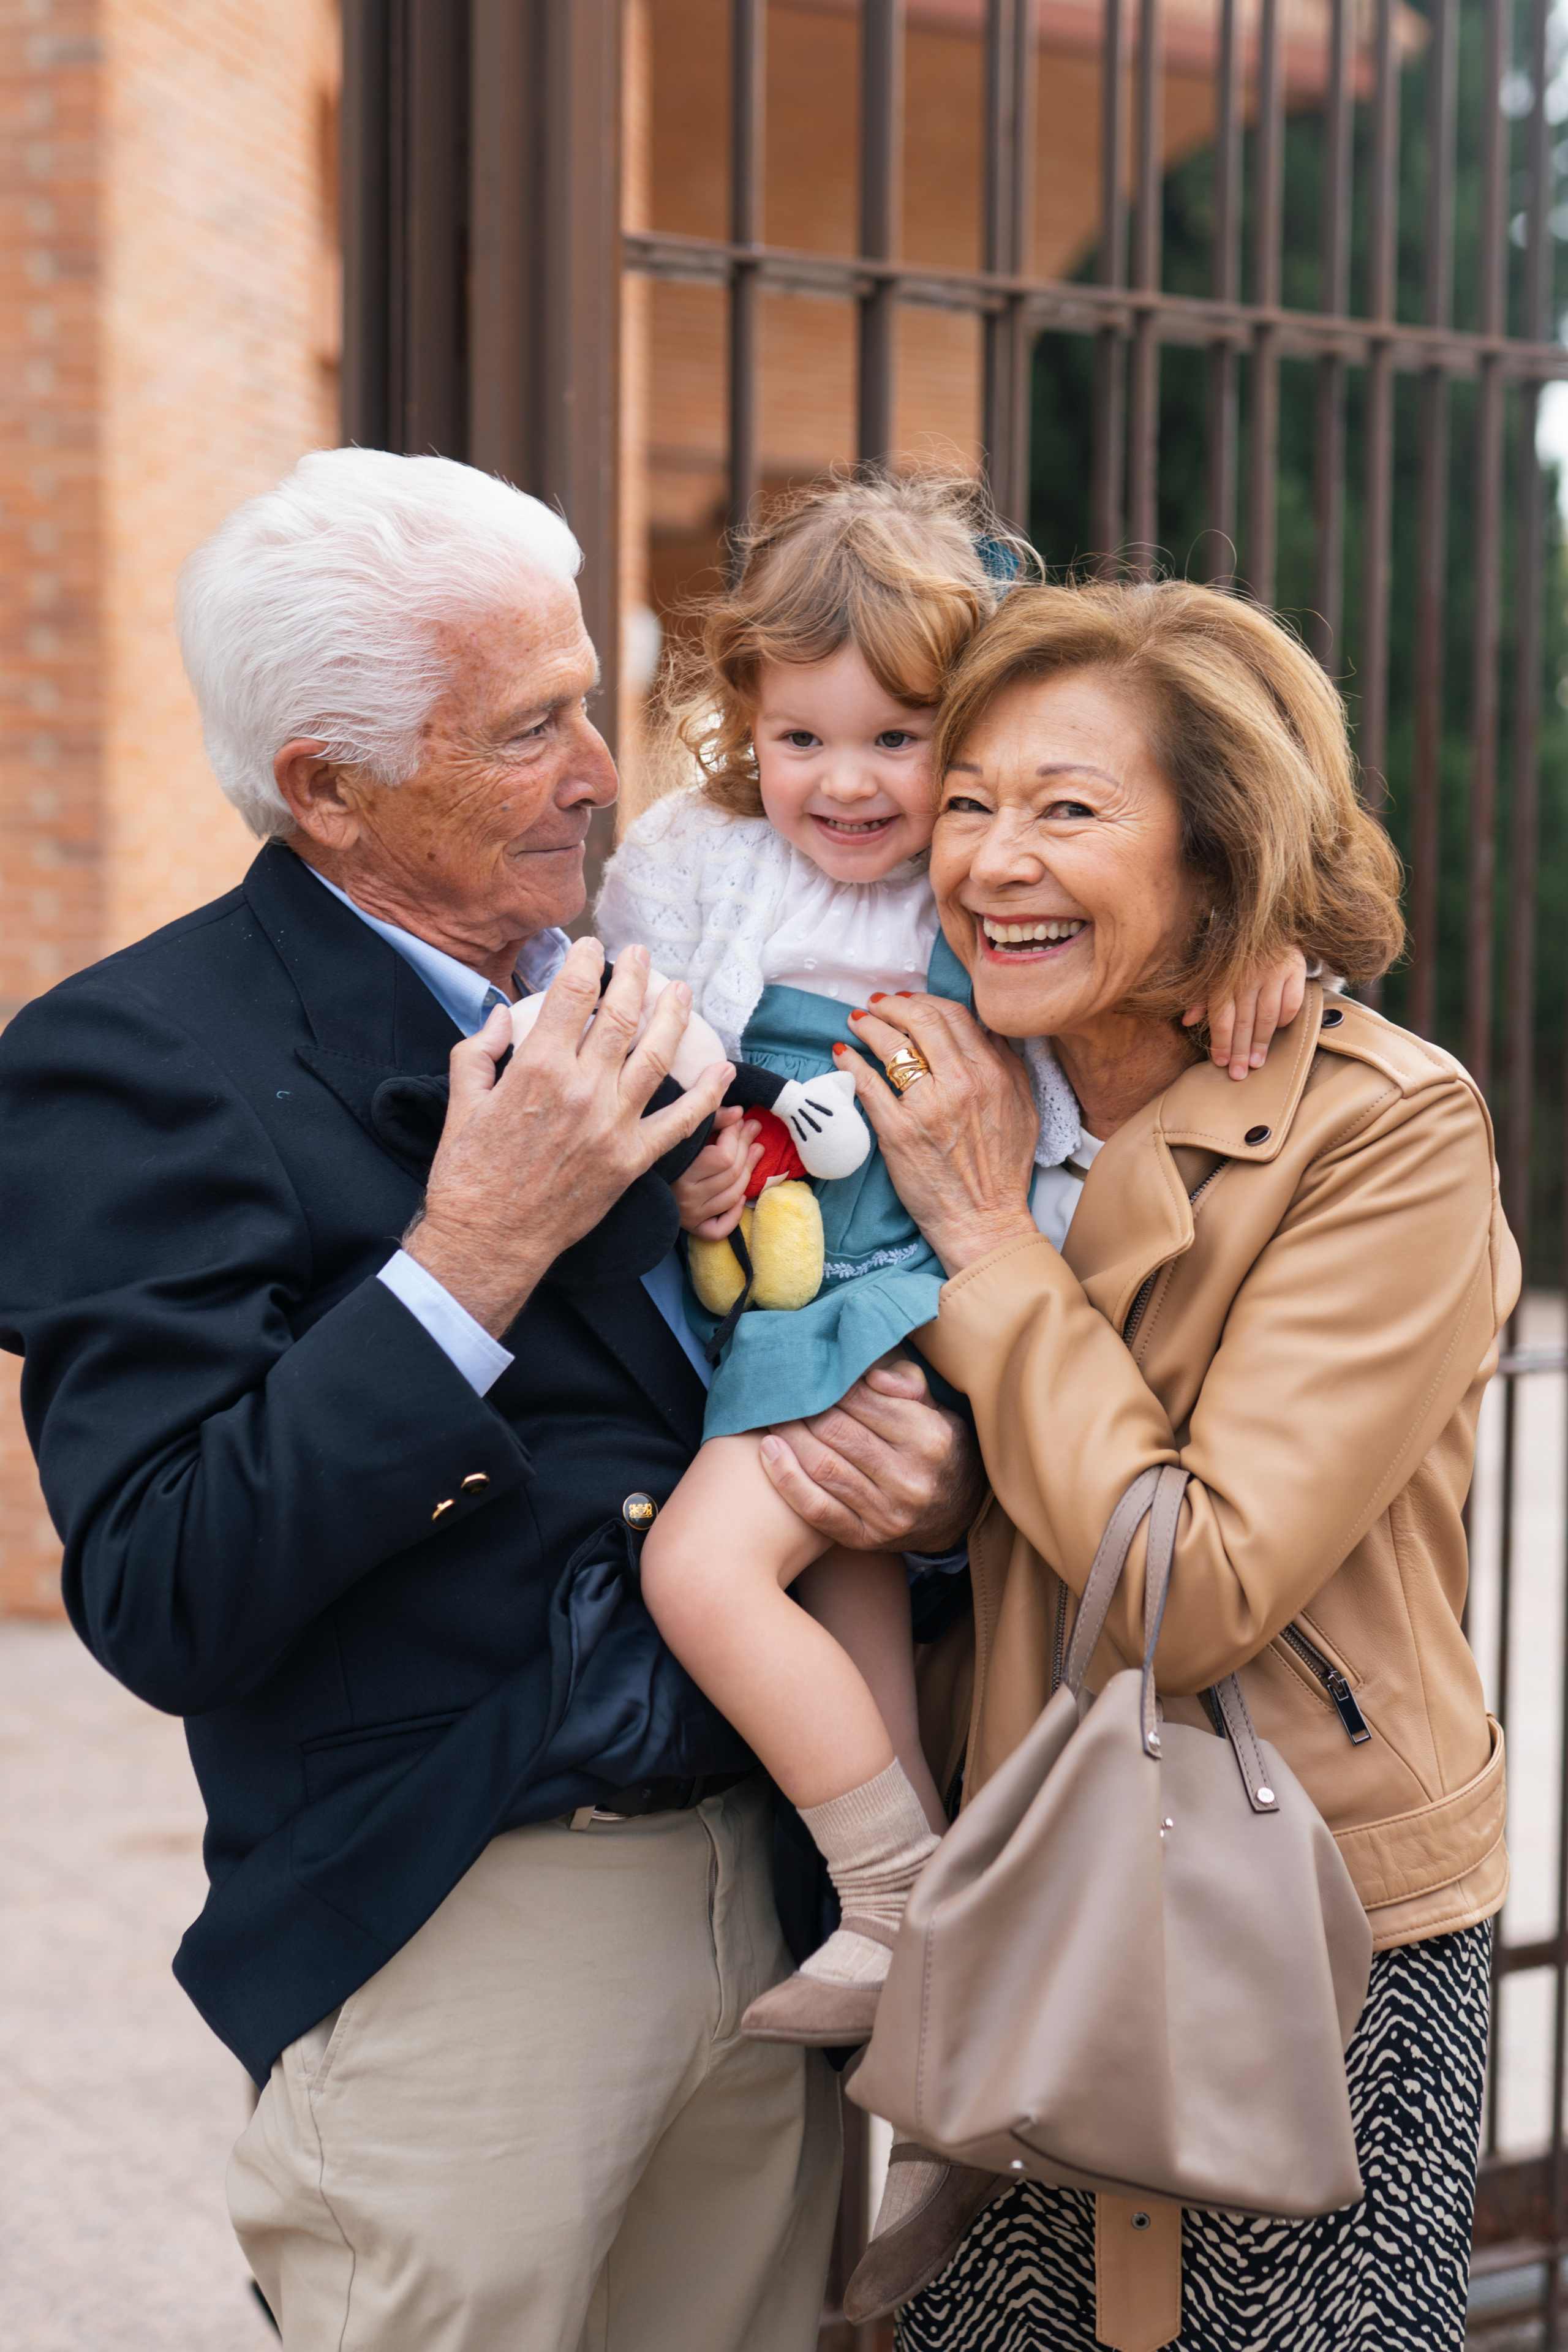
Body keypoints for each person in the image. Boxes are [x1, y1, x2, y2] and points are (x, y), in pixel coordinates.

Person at [0, 447, 986, 2352]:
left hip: (787, 1909)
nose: (607, 770)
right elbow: (162, 1589)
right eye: (530, 728)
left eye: (591, 702)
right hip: (464, 1927)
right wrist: (464, 1258)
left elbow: (795, 1363)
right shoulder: (131, 1058)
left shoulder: (672, 960)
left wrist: (924, 1497)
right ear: (329, 792)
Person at [829, 579, 1513, 2352]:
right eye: (967, 800)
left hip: (1305, 1917)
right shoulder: (931, 1069)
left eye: (1069, 808)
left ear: (1221, 855)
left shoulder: (1389, 1132)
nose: (992, 860)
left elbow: (1186, 1583)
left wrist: (987, 1243)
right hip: (1025, 1880)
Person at [599, 477, 1307, 2046]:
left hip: (910, 1293)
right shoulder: (702, 863)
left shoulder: (971, 868)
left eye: (898, 743)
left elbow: (1146, 908)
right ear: (743, 726)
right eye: (801, 741)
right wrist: (688, 1159)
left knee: (696, 1570)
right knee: (847, 1581)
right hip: (778, 1281)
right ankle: (933, 1951)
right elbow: (628, 1038)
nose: (847, 785)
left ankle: (892, 1894)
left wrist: (1262, 944)